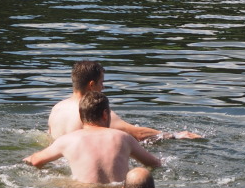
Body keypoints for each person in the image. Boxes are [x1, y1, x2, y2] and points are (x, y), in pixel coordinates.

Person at [24, 92, 161, 184]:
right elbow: (154, 163)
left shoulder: (67, 141)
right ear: (105, 114)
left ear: (81, 116)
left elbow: (35, 161)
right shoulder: (123, 138)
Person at [48, 60, 201, 142]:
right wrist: (175, 135)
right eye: (101, 82)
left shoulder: (57, 108)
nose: (103, 87)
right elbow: (138, 134)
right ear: (91, 85)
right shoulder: (93, 111)